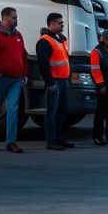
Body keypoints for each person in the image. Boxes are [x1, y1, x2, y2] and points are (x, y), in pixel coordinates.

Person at [0, 7, 27, 153]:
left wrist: (24, 72)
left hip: (16, 78)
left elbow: (22, 55)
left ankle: (11, 142)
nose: (17, 20)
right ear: (5, 19)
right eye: (14, 17)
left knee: (13, 109)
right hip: (0, 78)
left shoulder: (18, 35)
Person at [37, 13, 73, 150]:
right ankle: (51, 141)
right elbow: (43, 64)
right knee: (52, 111)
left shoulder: (59, 39)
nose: (62, 24)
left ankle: (59, 138)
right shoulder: (45, 41)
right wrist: (50, 82)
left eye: (62, 22)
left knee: (61, 111)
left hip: (63, 80)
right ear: (51, 24)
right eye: (59, 23)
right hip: (55, 82)